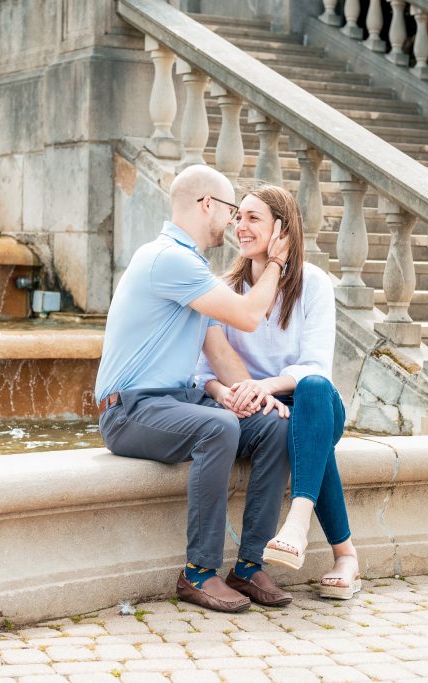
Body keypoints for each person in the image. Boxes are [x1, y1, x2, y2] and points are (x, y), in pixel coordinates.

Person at [95, 164, 296, 613]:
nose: (234, 222)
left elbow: (219, 351)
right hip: (128, 410)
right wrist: (278, 263)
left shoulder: (190, 267)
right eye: (230, 210)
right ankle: (198, 573)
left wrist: (258, 396)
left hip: (172, 402)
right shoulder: (167, 258)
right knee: (219, 427)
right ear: (207, 204)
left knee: (273, 429)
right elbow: (247, 315)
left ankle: (247, 566)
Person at [195, 183, 362, 600]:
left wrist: (263, 385)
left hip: (313, 403)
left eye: (254, 218)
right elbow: (203, 371)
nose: (241, 227)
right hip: (257, 411)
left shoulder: (314, 285)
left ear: (282, 231)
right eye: (239, 217)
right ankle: (346, 557)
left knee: (313, 392)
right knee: (303, 439)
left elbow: (315, 367)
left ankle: (298, 521)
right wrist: (226, 394)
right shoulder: (226, 289)